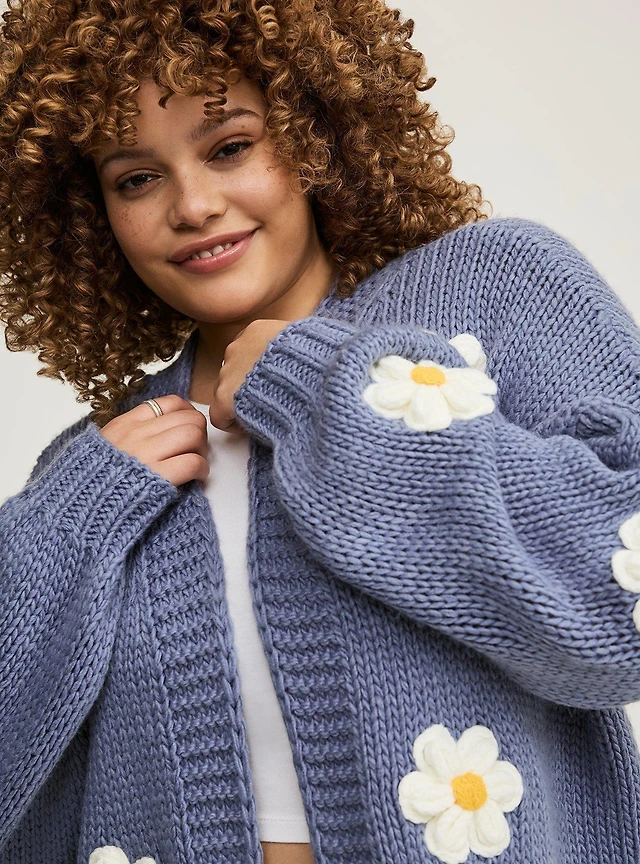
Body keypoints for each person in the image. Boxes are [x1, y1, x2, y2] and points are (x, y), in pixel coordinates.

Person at [1, 1, 640, 863]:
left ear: (317, 135)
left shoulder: (501, 295)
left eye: (230, 146)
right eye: (137, 178)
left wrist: (322, 387)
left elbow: (618, 611)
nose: (193, 205)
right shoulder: (101, 467)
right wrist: (68, 517)